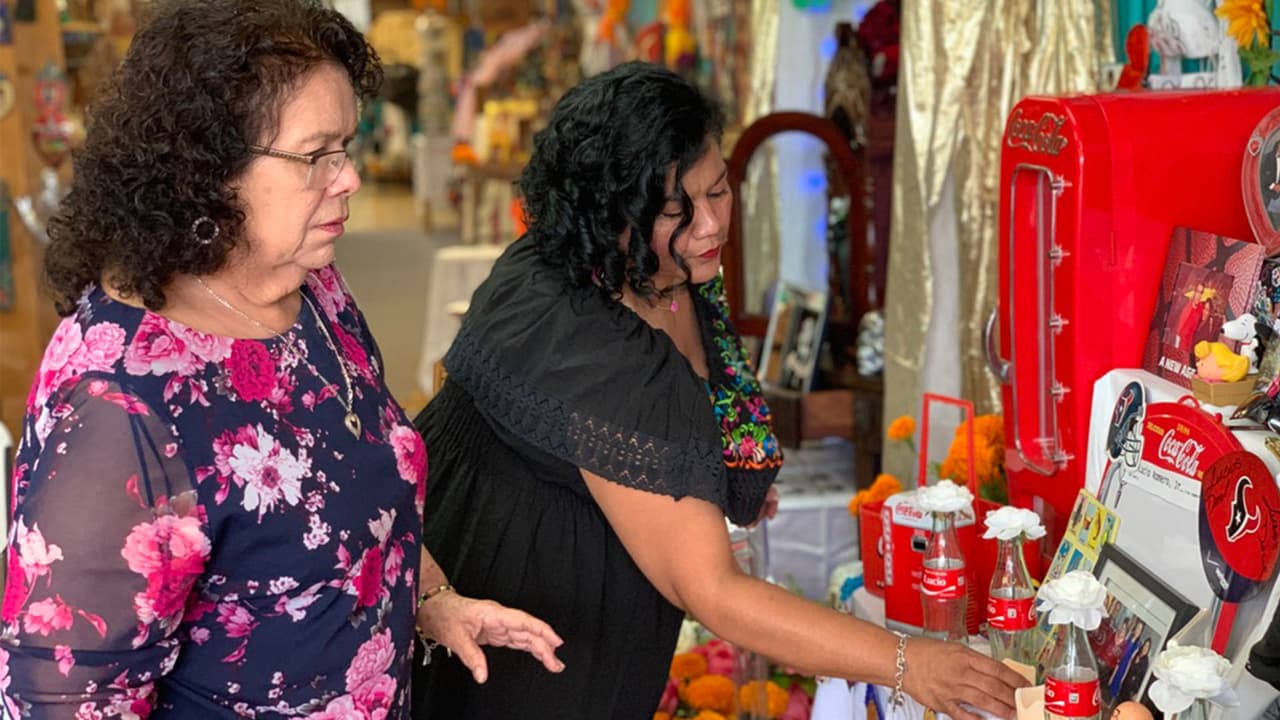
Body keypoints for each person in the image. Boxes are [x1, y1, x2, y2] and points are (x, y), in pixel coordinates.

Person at [411, 61, 1026, 720]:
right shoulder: (598, 348)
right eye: (677, 210)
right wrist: (910, 664)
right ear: (610, 212)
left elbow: (702, 410)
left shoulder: (656, 267)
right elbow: (714, 592)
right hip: (521, 655)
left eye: (720, 191)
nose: (710, 226)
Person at [0, 1, 563, 716]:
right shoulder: (120, 404)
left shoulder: (311, 289)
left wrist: (430, 599)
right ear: (208, 169)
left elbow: (352, 492)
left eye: (347, 147)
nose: (349, 177)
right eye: (315, 155)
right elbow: (64, 698)